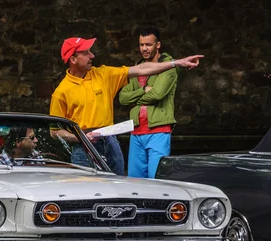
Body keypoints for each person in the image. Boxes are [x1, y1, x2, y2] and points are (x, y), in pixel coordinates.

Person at [49, 36, 202, 175]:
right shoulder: (61, 92)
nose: (92, 56)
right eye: (86, 53)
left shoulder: (102, 74)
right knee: (86, 191)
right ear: (73, 59)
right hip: (83, 146)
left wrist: (177, 63)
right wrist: (79, 137)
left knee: (118, 188)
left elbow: (142, 69)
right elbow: (54, 132)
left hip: (110, 140)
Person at [118, 27, 178, 178]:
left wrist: (135, 99)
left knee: (156, 179)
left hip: (158, 130)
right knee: (135, 180)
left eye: (148, 45)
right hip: (136, 131)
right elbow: (122, 98)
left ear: (158, 45)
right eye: (141, 45)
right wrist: (143, 89)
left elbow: (156, 94)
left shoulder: (168, 68)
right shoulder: (135, 70)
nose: (144, 48)